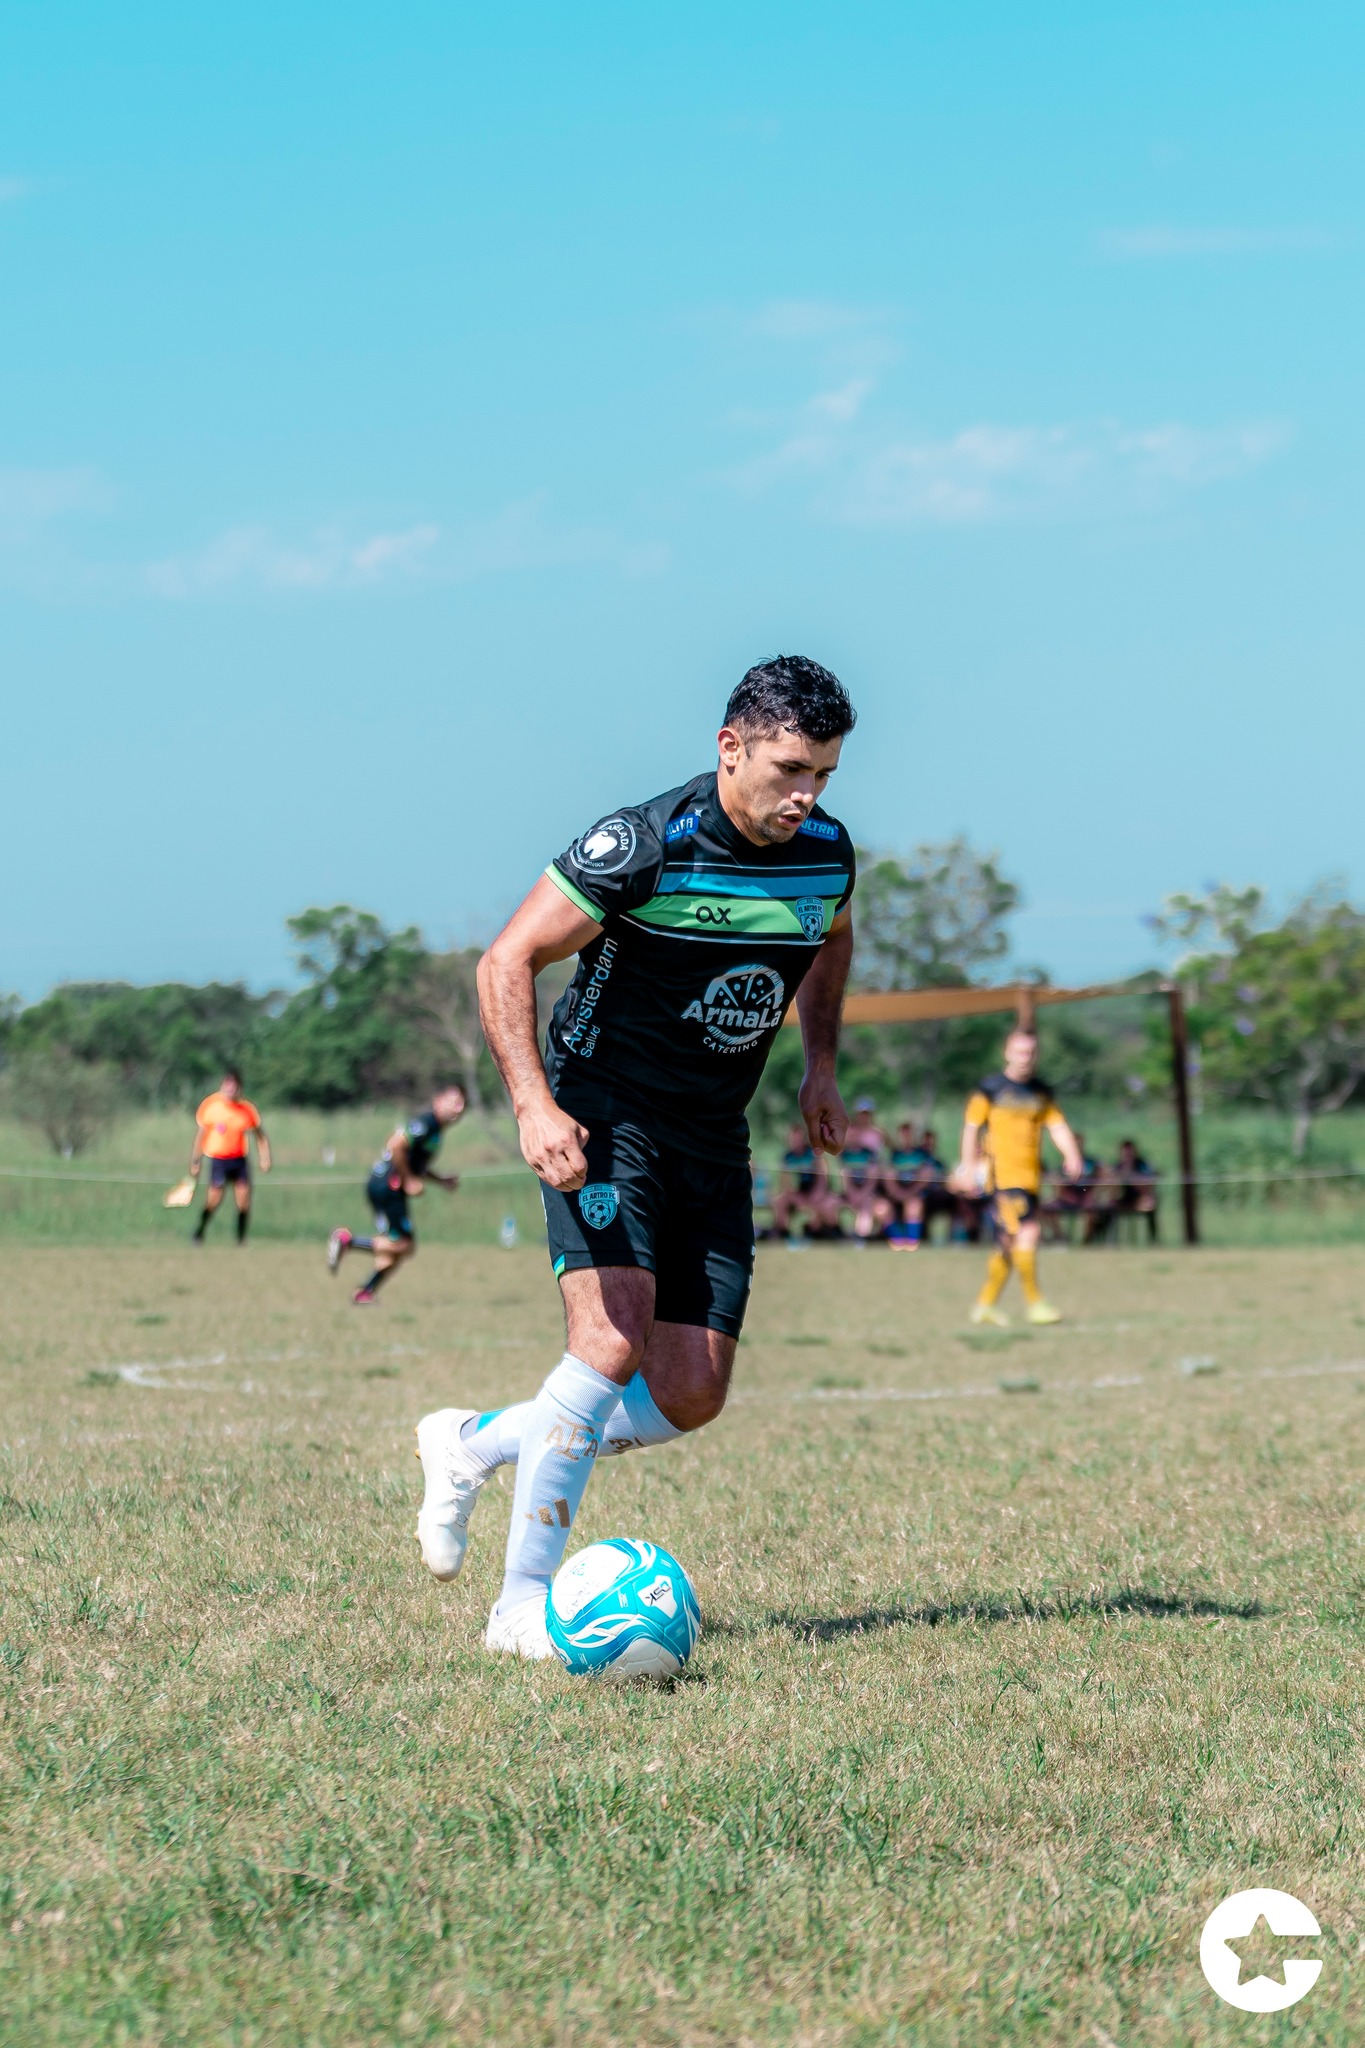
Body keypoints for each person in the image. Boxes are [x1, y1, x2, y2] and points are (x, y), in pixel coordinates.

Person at [414, 655, 858, 1659]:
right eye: (790, 769)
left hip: (713, 1128)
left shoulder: (826, 853)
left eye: (824, 775)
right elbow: (506, 959)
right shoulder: (646, 844)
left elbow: (830, 938)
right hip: (601, 1110)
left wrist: (819, 1064)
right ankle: (518, 1606)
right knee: (608, 1341)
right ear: (729, 746)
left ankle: (474, 1440)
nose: (807, 795)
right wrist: (533, 1105)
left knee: (692, 1391)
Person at [954, 1025, 1083, 1326]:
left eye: (1031, 1052)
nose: (1026, 1058)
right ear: (1007, 1053)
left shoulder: (1041, 1092)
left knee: (1009, 1244)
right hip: (1003, 1179)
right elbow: (971, 1127)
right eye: (1020, 1051)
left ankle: (985, 1305)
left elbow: (1057, 1125)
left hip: (1031, 1177)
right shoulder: (990, 1089)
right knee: (1029, 1233)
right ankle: (1035, 1303)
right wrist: (968, 1165)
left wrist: (1072, 1154)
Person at [328, 1086, 466, 1304]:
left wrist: (440, 1180)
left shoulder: (435, 1128)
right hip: (388, 1186)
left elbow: (415, 1164)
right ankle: (347, 1240)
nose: (459, 1108)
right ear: (438, 1100)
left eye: (462, 1104)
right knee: (404, 1245)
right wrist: (408, 1180)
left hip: (385, 1185)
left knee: (395, 1250)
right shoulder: (427, 1122)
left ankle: (365, 1293)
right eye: (454, 1101)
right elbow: (396, 1145)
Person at [188, 1070, 271, 1244]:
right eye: (228, 1086)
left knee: (243, 1202)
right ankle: (199, 1232)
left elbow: (260, 1135)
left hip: (239, 1160)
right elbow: (200, 1136)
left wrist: (265, 1157)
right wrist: (196, 1161)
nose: (230, 1090)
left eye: (234, 1087)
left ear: (239, 1088)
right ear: (223, 1085)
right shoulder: (211, 1105)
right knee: (213, 1201)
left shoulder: (246, 1110)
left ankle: (241, 1240)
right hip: (219, 1160)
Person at [770, 1119, 840, 1241]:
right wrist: (796, 1198)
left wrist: (816, 1196)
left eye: (798, 1138)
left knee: (828, 1205)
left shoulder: (814, 1154)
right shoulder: (787, 1157)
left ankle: (832, 1233)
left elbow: (823, 1178)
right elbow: (785, 1185)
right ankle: (782, 1233)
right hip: (800, 1193)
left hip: (818, 1193)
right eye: (793, 1138)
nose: (795, 1141)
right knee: (780, 1201)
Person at [837, 1098, 894, 1242]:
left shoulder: (877, 1133)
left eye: (867, 1114)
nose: (864, 1117)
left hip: (871, 1181)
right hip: (851, 1180)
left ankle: (861, 1235)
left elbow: (891, 1148)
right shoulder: (849, 1131)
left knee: (868, 1202)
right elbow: (840, 1154)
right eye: (861, 1113)